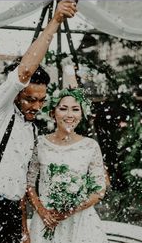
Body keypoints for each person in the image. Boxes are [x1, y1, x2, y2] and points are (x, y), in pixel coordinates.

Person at [0, 0, 77, 243]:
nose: (37, 106)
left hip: (10, 211)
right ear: (17, 93)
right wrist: (55, 22)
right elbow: (24, 71)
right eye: (30, 99)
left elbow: (20, 183)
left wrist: (23, 228)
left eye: (41, 101)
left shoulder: (31, 131)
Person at [27, 88, 108, 243]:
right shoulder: (40, 144)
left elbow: (99, 190)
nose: (69, 115)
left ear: (81, 114)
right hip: (47, 221)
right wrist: (43, 212)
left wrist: (71, 209)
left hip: (80, 222)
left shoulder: (90, 146)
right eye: (63, 109)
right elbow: (29, 184)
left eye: (75, 109)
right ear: (52, 113)